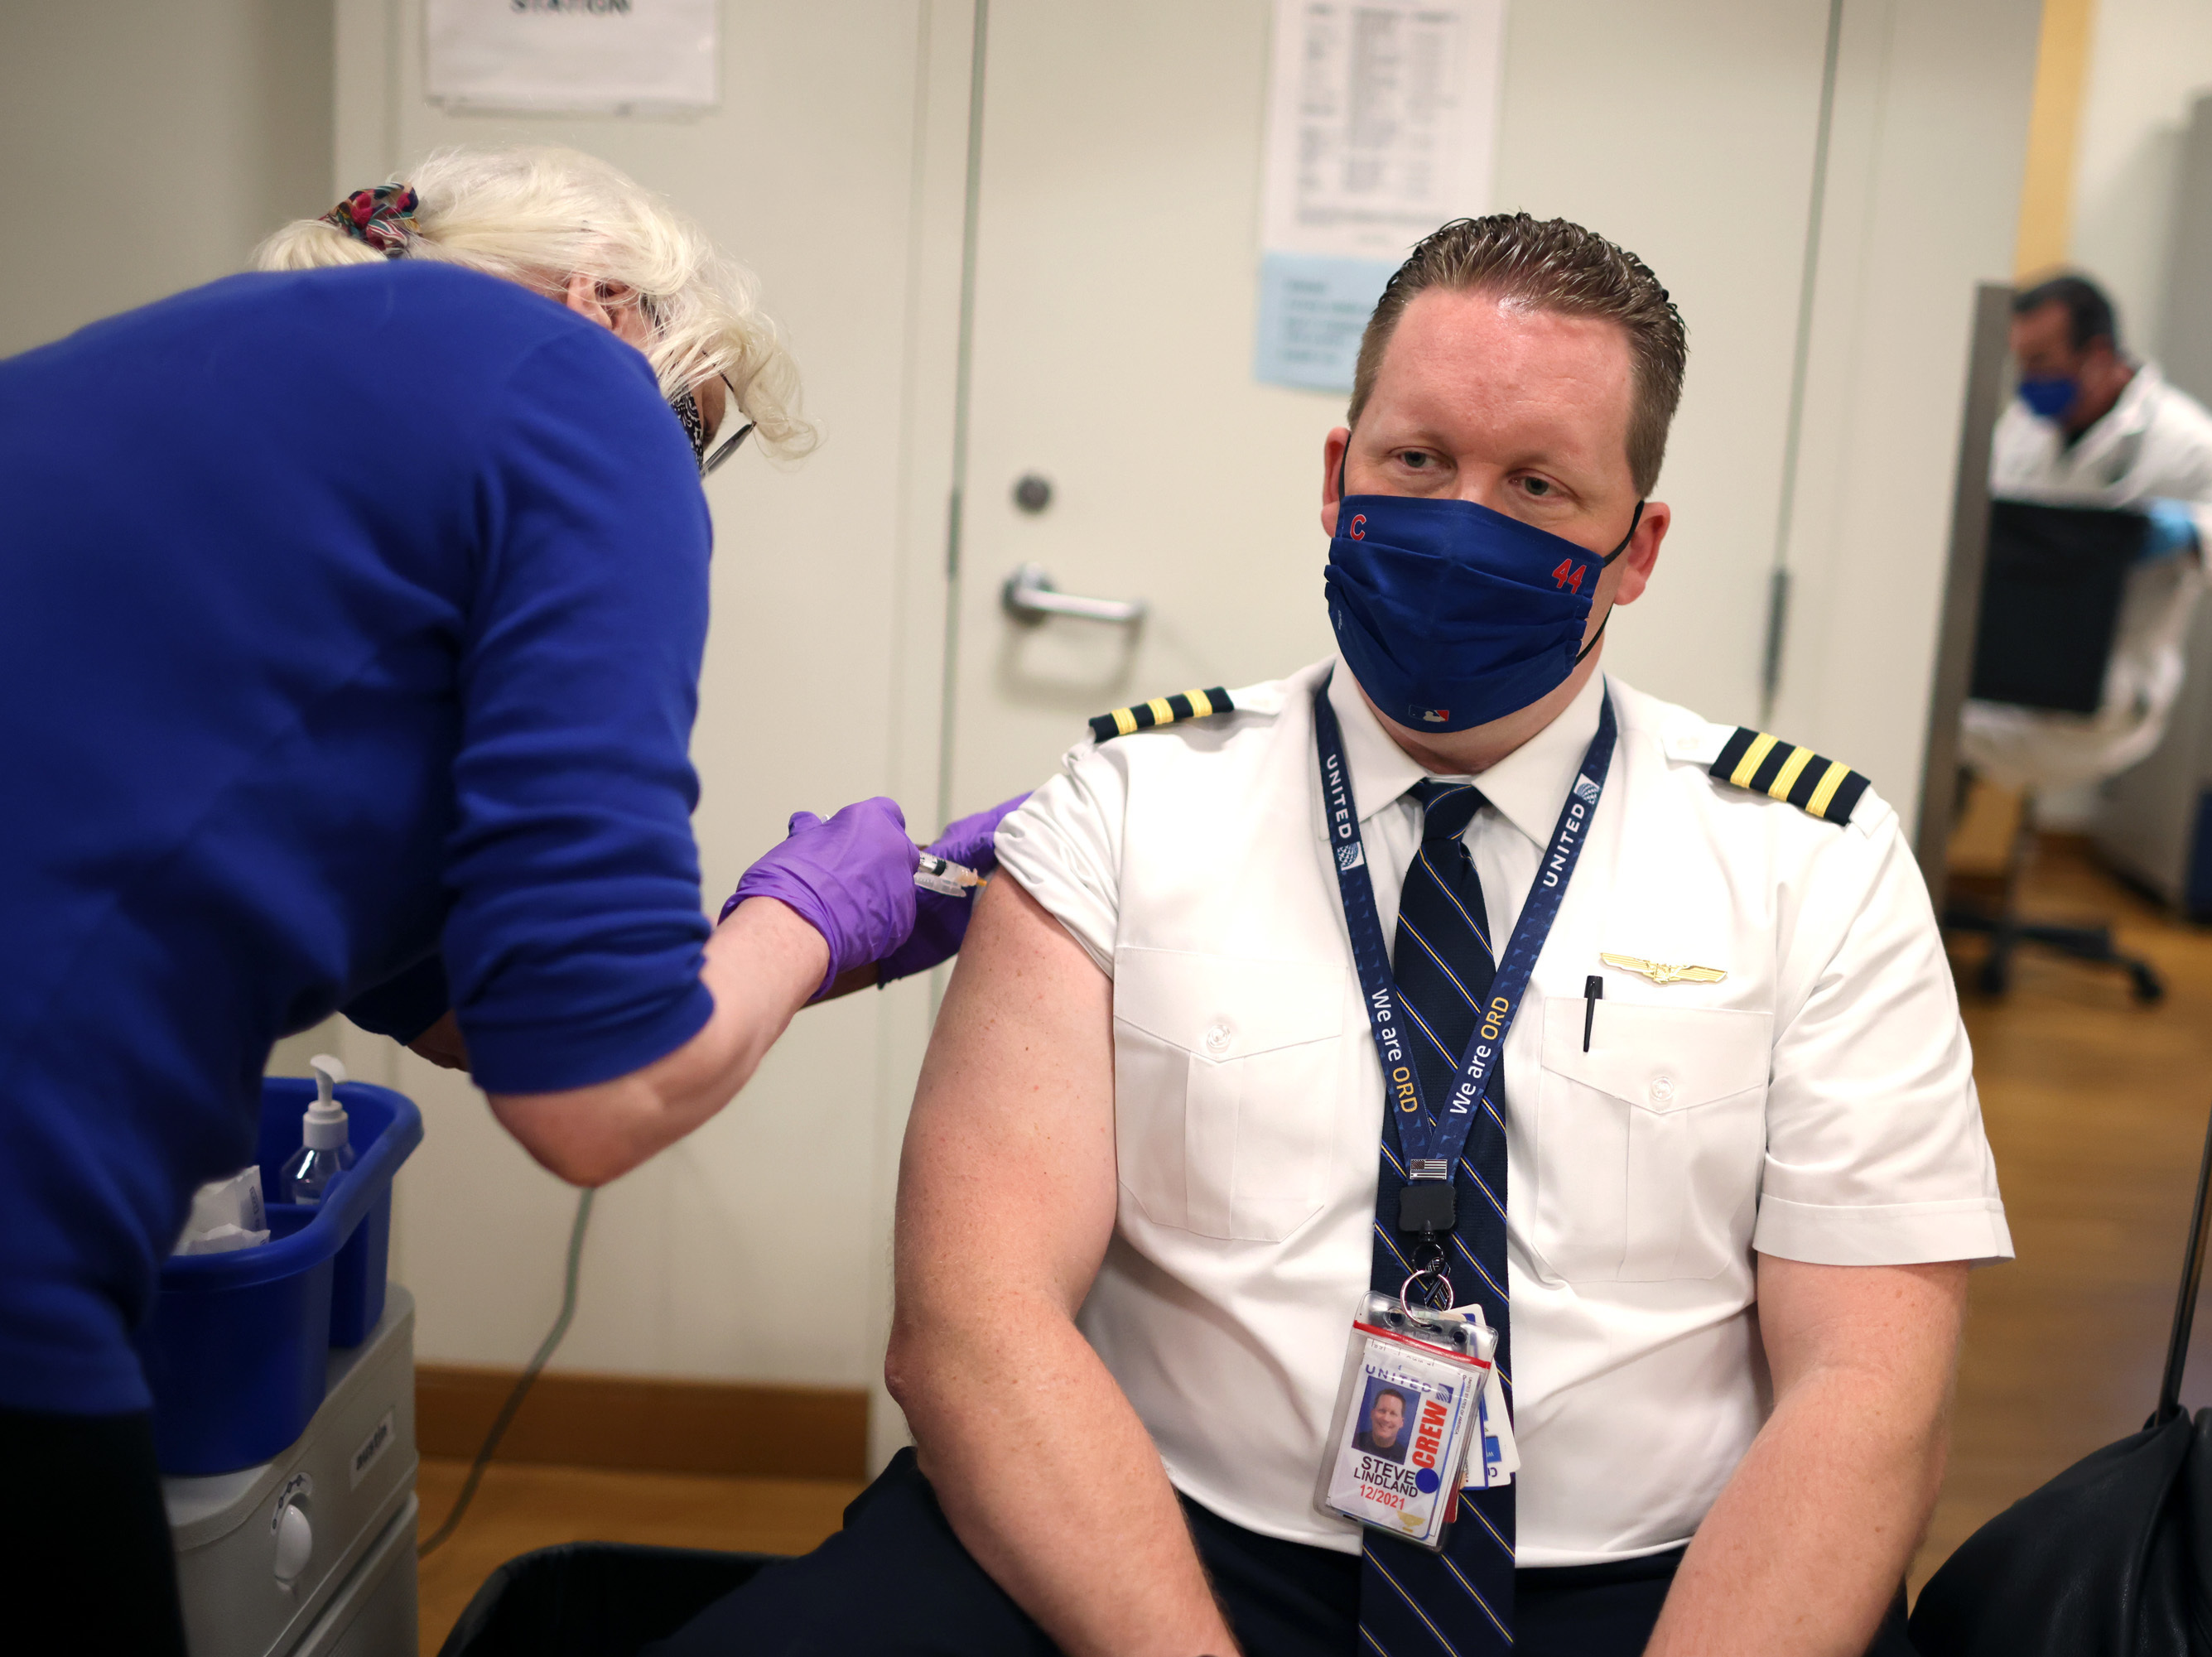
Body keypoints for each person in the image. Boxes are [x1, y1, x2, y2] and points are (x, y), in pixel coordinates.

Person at [653, 213, 2010, 1657]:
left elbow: (1869, 1391)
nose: (1459, 519)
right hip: (1148, 1543)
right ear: (1336, 474)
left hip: (1639, 1589)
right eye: (1417, 461)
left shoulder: (1814, 861)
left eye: (1538, 484)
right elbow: (971, 1328)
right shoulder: (1126, 808)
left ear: (1635, 548)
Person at [0, 145, 1013, 1653]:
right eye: (692, 429)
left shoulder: (191, 377)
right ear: (612, 305)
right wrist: (812, 910)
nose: (673, 477)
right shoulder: (573, 382)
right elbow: (591, 1098)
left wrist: (850, 937)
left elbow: (485, 1013)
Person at [1967, 272, 2212, 788]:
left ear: (2099, 355)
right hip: (2011, 665)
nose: (2028, 381)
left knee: (1936, 745)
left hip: (2109, 690)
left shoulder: (2185, 440)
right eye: (2022, 362)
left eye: (2041, 362)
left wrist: (2190, 531)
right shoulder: (2025, 425)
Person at [1353, 1389, 1410, 1463]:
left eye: (1393, 1414)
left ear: (1401, 1422)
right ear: (1372, 1414)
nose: (1386, 1419)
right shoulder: (1354, 1441)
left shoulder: (1406, 1459)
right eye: (1382, 1411)